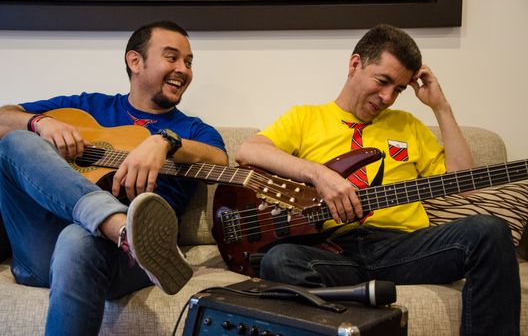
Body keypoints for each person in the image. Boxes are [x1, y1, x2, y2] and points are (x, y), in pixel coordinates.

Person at [235, 24, 520, 335]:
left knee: (489, 230)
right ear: (355, 64)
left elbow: (464, 184)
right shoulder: (305, 118)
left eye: (398, 89)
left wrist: (441, 107)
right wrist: (319, 174)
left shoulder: (407, 125)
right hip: (334, 252)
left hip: (404, 249)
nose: (387, 97)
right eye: (383, 81)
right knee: (279, 260)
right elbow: (248, 151)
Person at [0, 21, 228, 335]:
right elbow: (3, 119)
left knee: (78, 238)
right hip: (41, 247)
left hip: (131, 260)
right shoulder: (87, 106)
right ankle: (118, 224)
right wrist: (39, 123)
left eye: (188, 62)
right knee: (16, 141)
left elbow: (219, 160)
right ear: (135, 61)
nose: (184, 69)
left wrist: (164, 142)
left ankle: (121, 232)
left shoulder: (192, 129)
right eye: (172, 57)